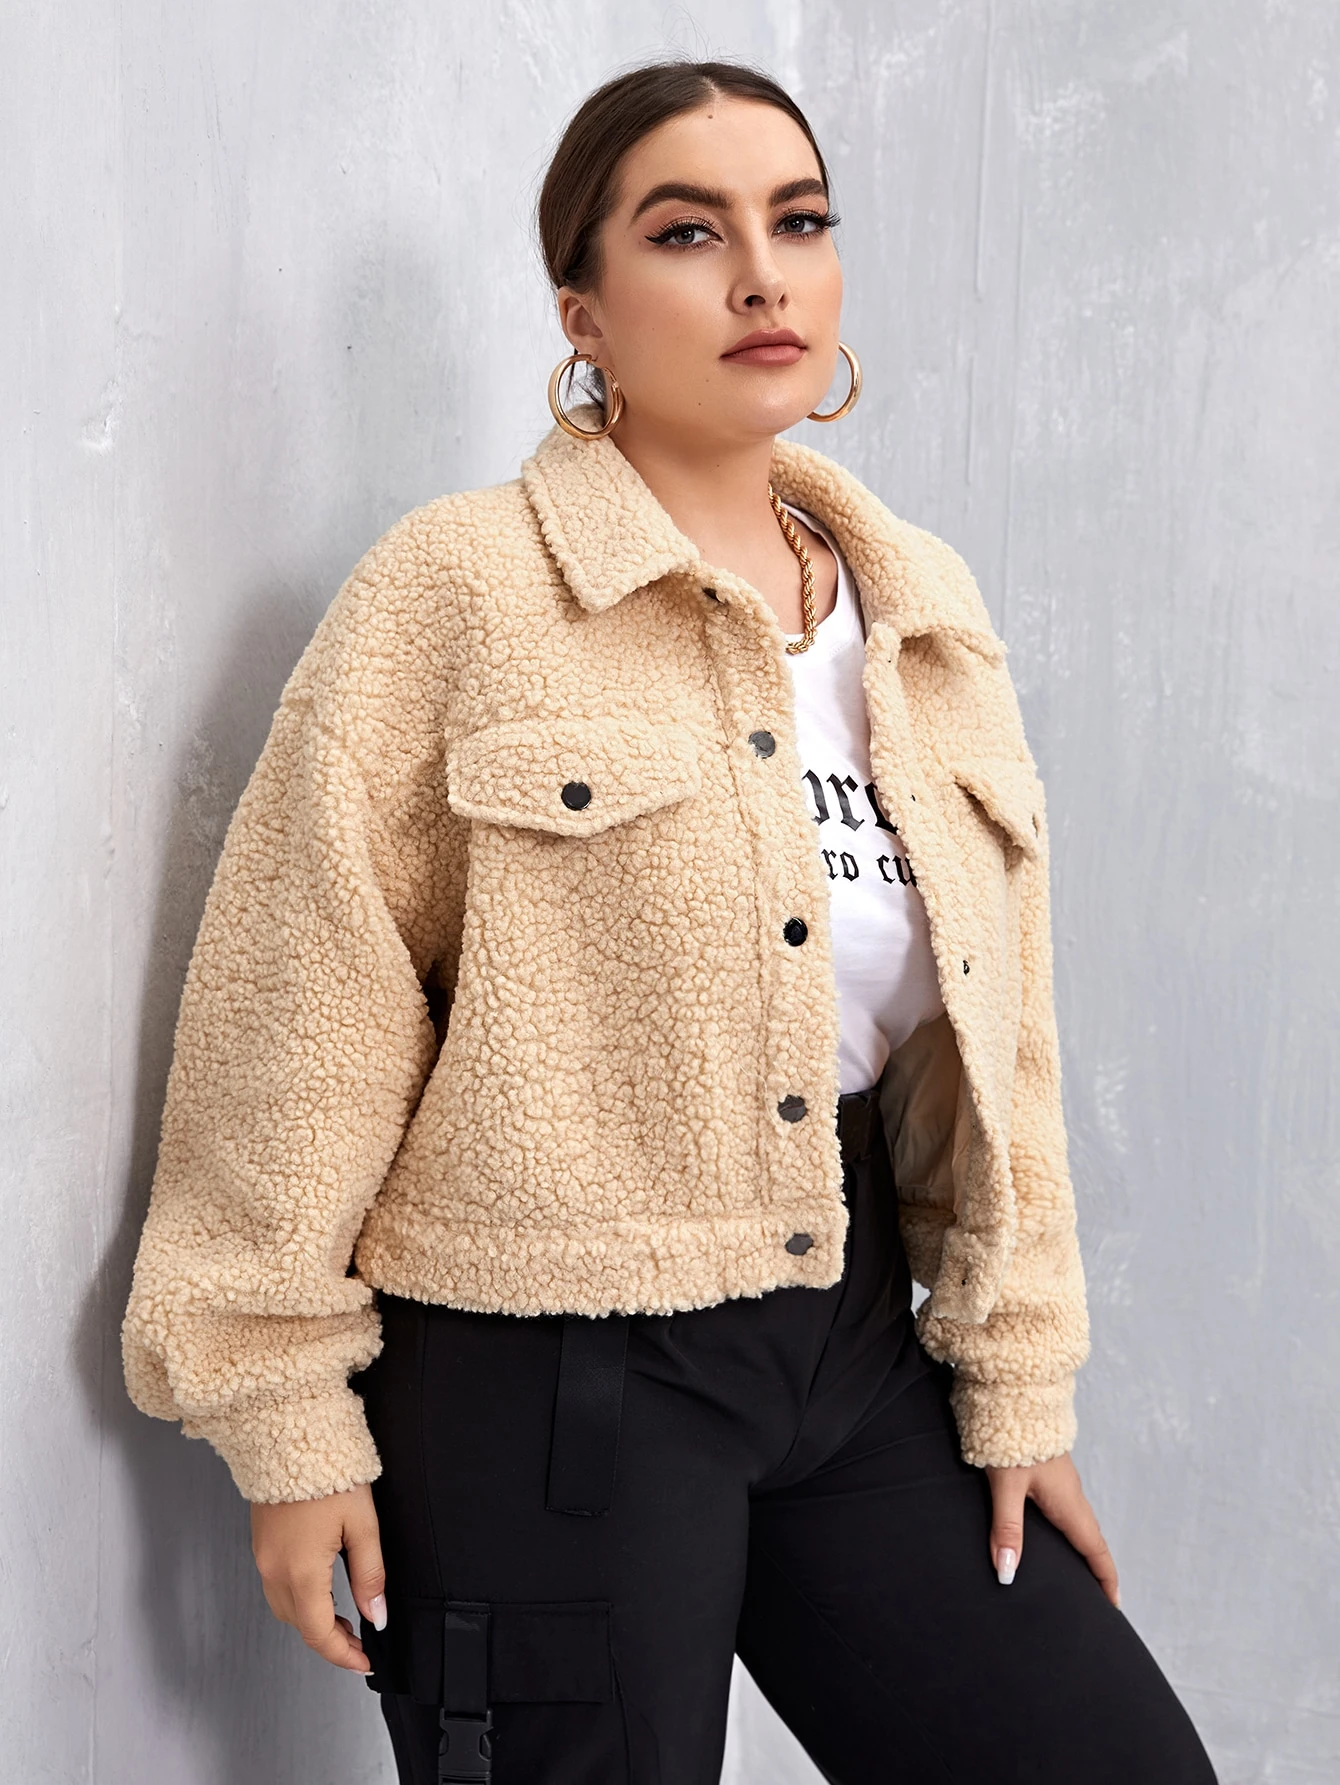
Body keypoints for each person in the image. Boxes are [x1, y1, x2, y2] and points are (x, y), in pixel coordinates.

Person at [121, 58, 1219, 1785]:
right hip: (549, 1377)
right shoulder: (461, 589)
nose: (762, 276)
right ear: (585, 311)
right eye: (689, 233)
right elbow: (304, 1003)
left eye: (800, 222)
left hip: (854, 1341)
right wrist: (281, 1411)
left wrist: (1017, 1379)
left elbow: (997, 1044)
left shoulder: (925, 617)